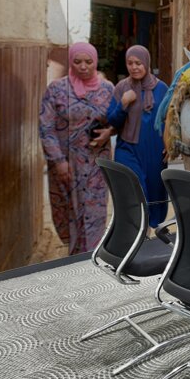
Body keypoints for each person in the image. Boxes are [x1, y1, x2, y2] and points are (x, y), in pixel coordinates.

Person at [39, 42, 115, 254]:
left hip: (96, 163)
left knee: (95, 212)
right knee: (69, 211)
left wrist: (109, 132)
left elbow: (118, 120)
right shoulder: (57, 89)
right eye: (77, 61)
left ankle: (90, 256)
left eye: (88, 62)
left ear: (96, 62)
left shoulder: (107, 89)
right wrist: (58, 161)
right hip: (65, 166)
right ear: (70, 62)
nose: (83, 66)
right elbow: (46, 127)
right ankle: (74, 254)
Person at [107, 45, 170, 228]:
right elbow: (113, 120)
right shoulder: (121, 88)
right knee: (134, 190)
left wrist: (170, 145)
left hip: (155, 150)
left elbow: (169, 119)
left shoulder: (162, 89)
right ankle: (136, 230)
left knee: (155, 191)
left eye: (138, 63)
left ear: (147, 63)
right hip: (127, 148)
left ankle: (152, 230)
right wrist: (123, 104)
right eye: (130, 63)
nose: (134, 67)